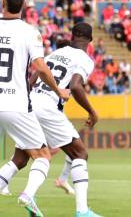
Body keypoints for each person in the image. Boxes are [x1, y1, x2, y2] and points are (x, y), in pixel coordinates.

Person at [0, 0, 70, 217]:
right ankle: (28, 194)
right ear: (23, 6)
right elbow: (41, 68)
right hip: (17, 104)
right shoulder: (30, 32)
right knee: (42, 155)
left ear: (2, 2)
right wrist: (58, 90)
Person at [29, 22, 102, 217]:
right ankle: (82, 211)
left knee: (23, 156)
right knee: (80, 153)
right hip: (48, 107)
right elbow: (76, 86)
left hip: (30, 104)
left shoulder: (54, 54)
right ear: (90, 40)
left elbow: (31, 80)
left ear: (72, 36)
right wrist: (92, 112)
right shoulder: (84, 59)